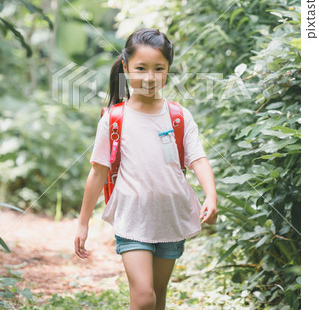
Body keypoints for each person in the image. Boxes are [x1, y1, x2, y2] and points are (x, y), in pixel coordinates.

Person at [74, 28, 218, 310]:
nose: (150, 78)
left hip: (170, 217)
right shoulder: (115, 119)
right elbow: (98, 172)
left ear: (168, 70)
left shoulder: (178, 115)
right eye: (141, 68)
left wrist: (211, 196)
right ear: (126, 68)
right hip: (132, 219)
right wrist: (82, 222)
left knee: (158, 294)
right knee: (143, 297)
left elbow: (198, 159)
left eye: (158, 69)